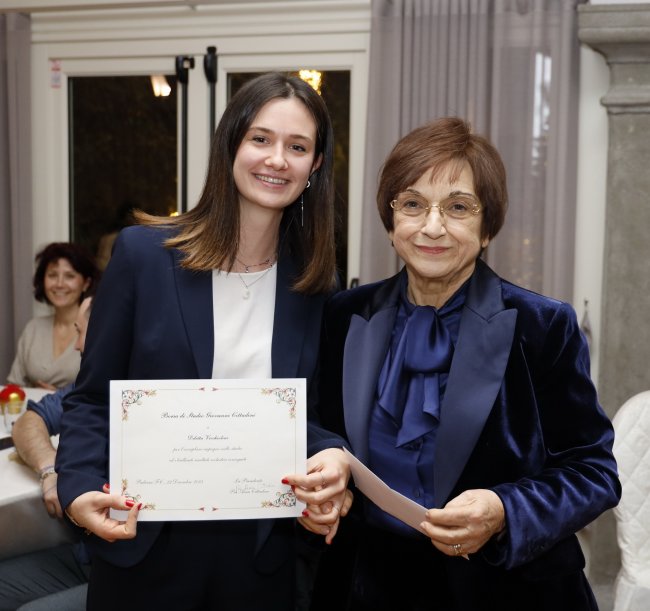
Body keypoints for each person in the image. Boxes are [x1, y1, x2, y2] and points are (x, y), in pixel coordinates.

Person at [299, 117, 621, 611]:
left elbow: (594, 471)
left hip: (506, 590)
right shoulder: (344, 315)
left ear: (487, 225)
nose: (432, 226)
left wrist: (504, 510)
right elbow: (318, 428)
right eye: (412, 204)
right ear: (390, 223)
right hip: (366, 585)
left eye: (458, 207)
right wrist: (325, 484)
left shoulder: (543, 326)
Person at [55, 72, 350, 611]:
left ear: (316, 167)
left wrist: (333, 461)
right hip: (140, 548)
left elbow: (314, 417)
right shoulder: (144, 256)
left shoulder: (314, 283)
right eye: (260, 138)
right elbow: (92, 397)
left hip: (262, 563)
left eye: (298, 146)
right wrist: (76, 490)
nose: (277, 159)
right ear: (230, 145)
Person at [0, 297, 93, 611]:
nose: (77, 345)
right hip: (84, 554)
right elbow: (30, 419)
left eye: (83, 333)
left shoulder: (151, 399)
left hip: (128, 573)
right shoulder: (88, 387)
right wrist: (49, 467)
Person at [6, 242, 99, 390]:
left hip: (75, 413)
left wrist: (58, 400)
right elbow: (14, 387)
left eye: (69, 276)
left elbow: (102, 392)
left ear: (86, 283)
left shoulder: (95, 329)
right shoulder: (33, 328)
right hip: (29, 412)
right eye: (52, 275)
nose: (59, 284)